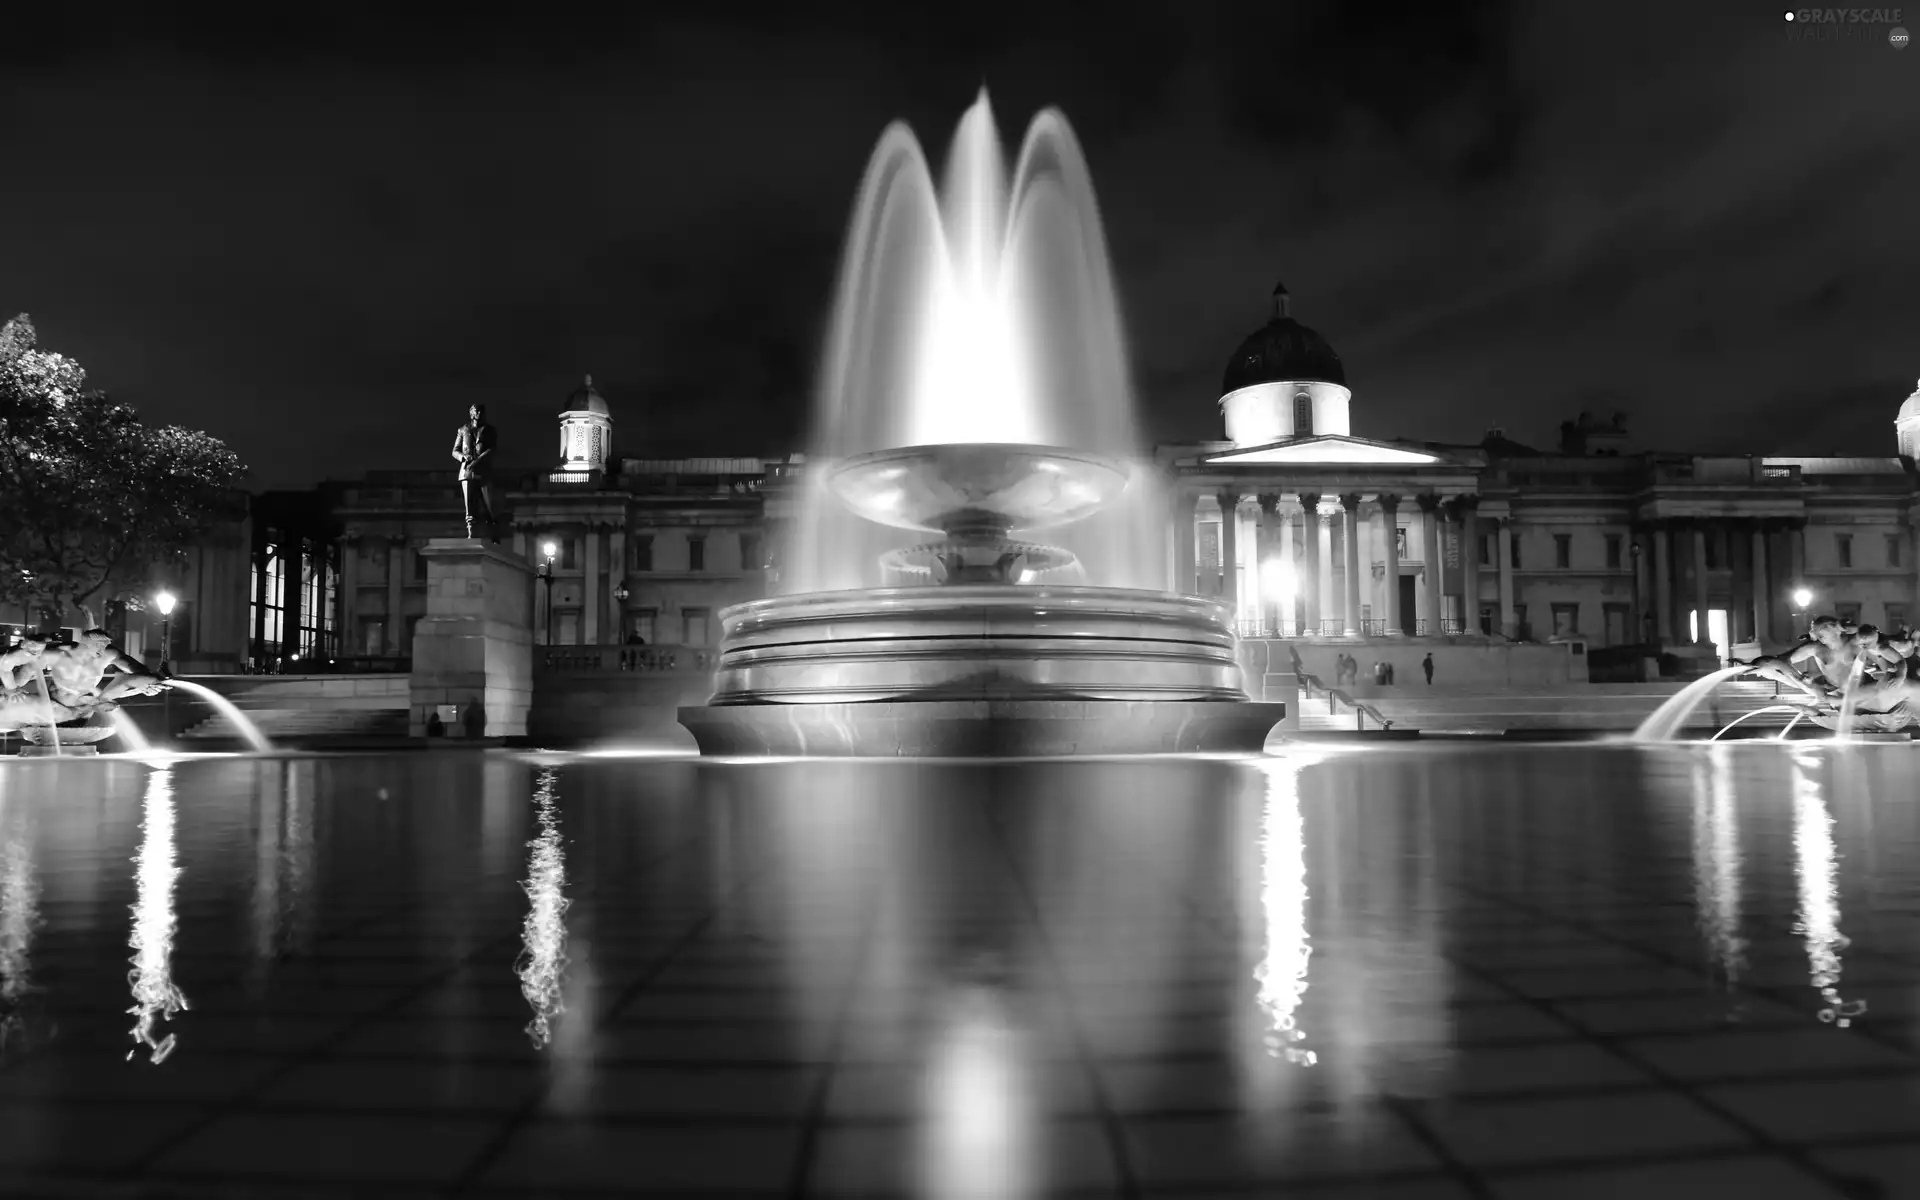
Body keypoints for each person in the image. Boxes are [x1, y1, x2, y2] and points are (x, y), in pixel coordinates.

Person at [452, 402, 500, 543]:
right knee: (469, 506)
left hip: (484, 471)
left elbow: (492, 449)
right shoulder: (463, 430)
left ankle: (493, 531)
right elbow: (455, 451)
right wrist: (463, 457)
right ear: (471, 413)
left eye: (481, 412)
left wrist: (477, 461)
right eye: (476, 411)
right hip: (466, 472)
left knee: (489, 505)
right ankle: (471, 532)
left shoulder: (490, 430)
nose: (479, 414)